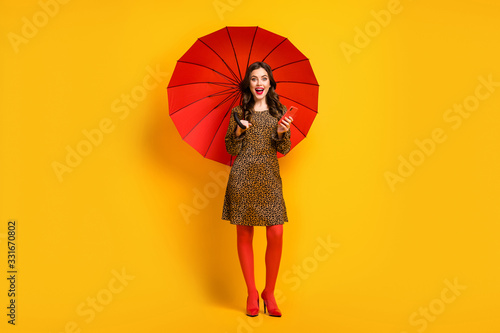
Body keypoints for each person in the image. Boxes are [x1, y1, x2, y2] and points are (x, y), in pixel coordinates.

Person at [222, 61, 294, 317]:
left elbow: (284, 149)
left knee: (276, 233)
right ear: (248, 84)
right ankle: (252, 292)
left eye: (264, 78)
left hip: (269, 179)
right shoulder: (238, 111)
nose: (259, 83)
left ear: (270, 83)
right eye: (254, 79)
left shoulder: (279, 111)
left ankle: (269, 292)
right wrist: (240, 131)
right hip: (242, 178)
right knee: (245, 234)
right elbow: (230, 149)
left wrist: (281, 131)